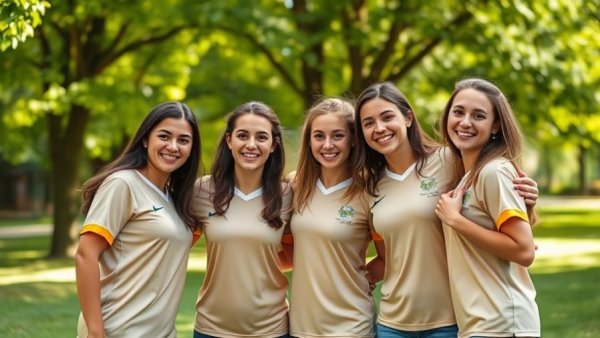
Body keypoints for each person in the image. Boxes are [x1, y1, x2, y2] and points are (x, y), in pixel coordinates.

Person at [353, 82, 539, 338]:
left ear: (408, 118)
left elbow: (496, 191)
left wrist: (527, 194)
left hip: (452, 319)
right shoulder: (370, 185)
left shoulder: (452, 159)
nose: (380, 128)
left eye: (387, 117)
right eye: (368, 122)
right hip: (393, 324)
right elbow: (390, 258)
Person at [75, 101, 202, 338]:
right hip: (118, 329)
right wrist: (95, 331)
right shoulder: (123, 184)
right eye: (164, 136)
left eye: (183, 140)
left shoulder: (176, 199)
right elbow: (86, 254)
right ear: (145, 139)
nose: (173, 147)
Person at [434, 78, 540, 337]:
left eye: (478, 115)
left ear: (495, 126)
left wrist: (456, 221)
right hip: (479, 324)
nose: (465, 122)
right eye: (458, 112)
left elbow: (524, 251)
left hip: (502, 324)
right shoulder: (469, 175)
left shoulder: (494, 171)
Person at [192, 101, 292, 338]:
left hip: (272, 330)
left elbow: (296, 255)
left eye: (261, 137)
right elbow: (175, 245)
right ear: (229, 141)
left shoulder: (288, 195)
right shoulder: (201, 191)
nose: (251, 145)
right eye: (242, 135)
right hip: (210, 330)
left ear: (274, 145)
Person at [288, 98, 380, 338]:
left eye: (337, 135)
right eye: (319, 136)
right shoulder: (296, 185)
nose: (327, 145)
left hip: (351, 325)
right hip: (301, 325)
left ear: (353, 140)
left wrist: (365, 276)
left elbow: (390, 257)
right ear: (309, 141)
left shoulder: (369, 191)